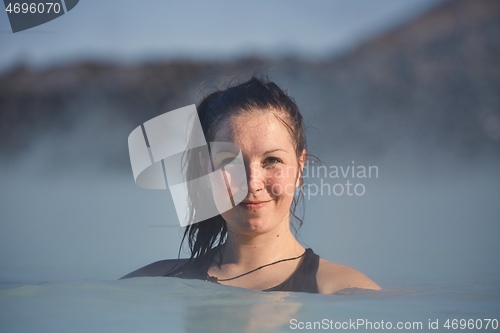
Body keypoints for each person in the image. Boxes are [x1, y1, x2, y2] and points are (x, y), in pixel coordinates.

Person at [122, 76, 380, 294]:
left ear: (300, 167)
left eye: (272, 160)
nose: (252, 182)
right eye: (228, 161)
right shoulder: (151, 286)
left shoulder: (344, 291)